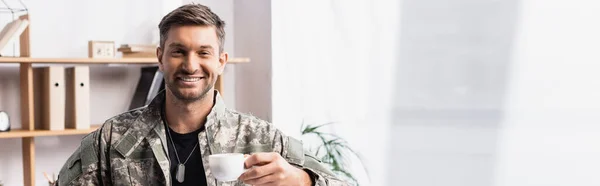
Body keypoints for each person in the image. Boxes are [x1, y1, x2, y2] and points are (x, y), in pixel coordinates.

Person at [57, 3, 348, 186]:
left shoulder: (260, 138)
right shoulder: (113, 138)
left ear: (221, 61)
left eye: (203, 53)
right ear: (160, 58)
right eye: (178, 52)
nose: (190, 65)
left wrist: (301, 180)